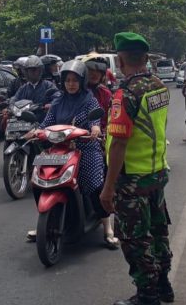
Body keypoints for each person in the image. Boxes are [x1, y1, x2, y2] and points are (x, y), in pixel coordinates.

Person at [101, 32, 173, 305]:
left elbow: (118, 144)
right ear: (145, 58)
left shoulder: (126, 94)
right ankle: (164, 285)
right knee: (158, 231)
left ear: (120, 60)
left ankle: (147, 295)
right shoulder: (158, 86)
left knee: (135, 239)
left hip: (132, 180)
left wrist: (108, 188)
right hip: (157, 173)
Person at [25, 60, 107, 244]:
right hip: (59, 149)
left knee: (94, 184)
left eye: (75, 80)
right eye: (68, 80)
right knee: (38, 180)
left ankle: (108, 228)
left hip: (85, 147)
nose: (71, 84)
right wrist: (36, 131)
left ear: (82, 81)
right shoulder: (58, 100)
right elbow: (48, 122)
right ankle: (45, 223)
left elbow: (94, 118)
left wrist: (94, 129)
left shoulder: (89, 99)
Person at [83, 53, 120, 249]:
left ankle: (108, 227)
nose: (93, 75)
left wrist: (104, 132)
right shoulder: (74, 91)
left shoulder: (105, 94)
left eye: (97, 72)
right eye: (90, 72)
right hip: (74, 141)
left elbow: (112, 117)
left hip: (97, 141)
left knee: (100, 181)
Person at [10, 55, 58, 122]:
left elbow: (57, 96)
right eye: (31, 70)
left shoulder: (48, 85)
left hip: (44, 121)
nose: (33, 72)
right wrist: (11, 106)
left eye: (35, 70)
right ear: (26, 72)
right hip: (25, 122)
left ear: (40, 70)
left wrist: (51, 104)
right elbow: (15, 98)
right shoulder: (23, 88)